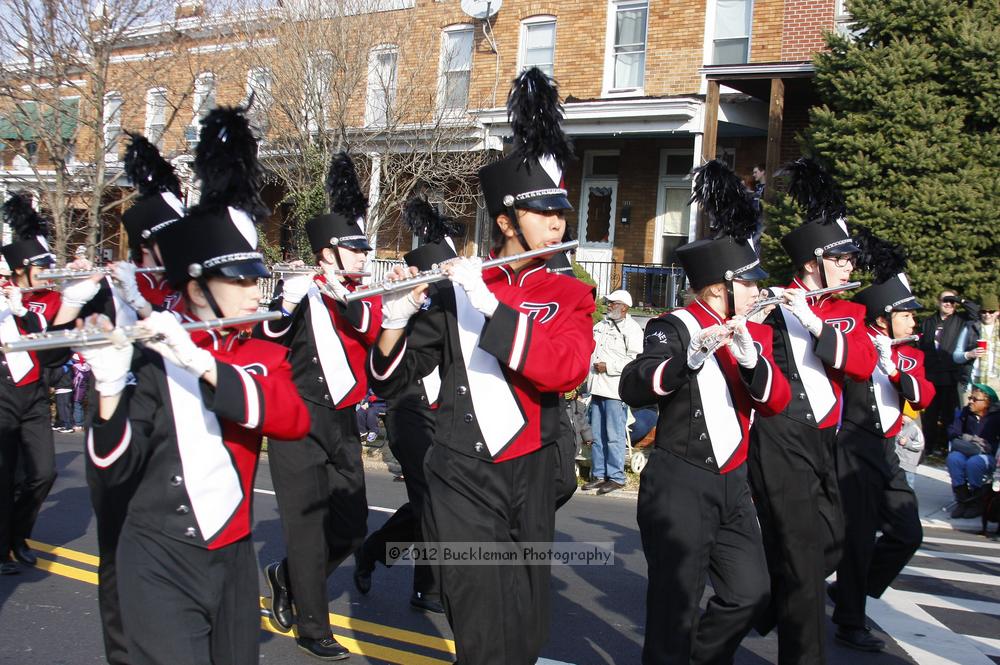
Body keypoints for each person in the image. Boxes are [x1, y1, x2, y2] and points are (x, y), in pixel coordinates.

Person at [367, 67, 595, 665]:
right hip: (460, 473)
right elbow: (388, 378)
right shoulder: (453, 288)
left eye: (560, 213)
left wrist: (492, 306)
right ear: (504, 221)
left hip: (532, 469)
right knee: (482, 634)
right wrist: (395, 313)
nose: (557, 224)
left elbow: (564, 370)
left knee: (524, 629)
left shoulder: (569, 293)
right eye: (543, 213)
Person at [77, 104, 310, 665]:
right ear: (198, 283)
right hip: (155, 552)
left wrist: (206, 367)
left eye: (260, 276)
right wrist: (111, 387)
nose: (258, 290)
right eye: (242, 277)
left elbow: (292, 420)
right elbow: (110, 474)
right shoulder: (150, 350)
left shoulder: (258, 352)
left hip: (231, 555)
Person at [620, 159, 791, 665]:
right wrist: (688, 359)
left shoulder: (752, 334)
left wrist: (750, 357)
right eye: (750, 283)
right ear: (719, 287)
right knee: (674, 606)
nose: (759, 292)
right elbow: (635, 384)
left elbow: (776, 401)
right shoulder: (672, 325)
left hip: (733, 482)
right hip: (680, 479)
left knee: (750, 592)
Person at [748, 157, 877, 665]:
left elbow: (863, 364)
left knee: (831, 543)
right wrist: (768, 313)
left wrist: (818, 325)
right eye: (841, 259)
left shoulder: (848, 311)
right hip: (778, 439)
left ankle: (752, 608)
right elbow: (748, 363)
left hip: (826, 441)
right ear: (811, 264)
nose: (850, 268)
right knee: (803, 562)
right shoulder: (773, 307)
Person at [259, 152, 381, 660]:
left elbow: (369, 330)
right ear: (329, 252)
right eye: (356, 249)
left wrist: (338, 293)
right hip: (296, 420)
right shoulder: (294, 292)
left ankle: (287, 576)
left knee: (351, 527)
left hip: (341, 421)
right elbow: (264, 340)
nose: (365, 255)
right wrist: (286, 302)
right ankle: (313, 626)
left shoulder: (364, 292)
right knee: (306, 528)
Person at [354, 193, 460, 614]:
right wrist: (406, 303)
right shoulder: (410, 301)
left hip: (445, 415)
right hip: (409, 411)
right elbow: (389, 366)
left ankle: (376, 549)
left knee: (430, 504)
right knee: (431, 498)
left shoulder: (454, 306)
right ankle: (428, 587)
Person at [829, 232, 933, 652]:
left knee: (907, 532)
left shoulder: (910, 355)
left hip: (886, 451)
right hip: (851, 447)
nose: (914, 322)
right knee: (856, 537)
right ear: (883, 318)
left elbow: (922, 395)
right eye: (907, 314)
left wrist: (894, 369)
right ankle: (850, 621)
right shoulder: (855, 342)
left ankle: (852, 591)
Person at [0, 194, 101, 574]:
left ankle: (18, 536)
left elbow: (54, 348)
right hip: (2, 389)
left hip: (34, 392)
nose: (46, 272)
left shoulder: (56, 300)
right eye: (39, 266)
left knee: (43, 473)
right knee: (5, 474)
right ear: (21, 269)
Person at [584, 289, 642, 495]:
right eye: (608, 303)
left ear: (624, 307)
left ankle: (616, 476)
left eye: (612, 303)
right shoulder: (600, 326)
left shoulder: (633, 330)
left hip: (615, 389)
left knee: (614, 435)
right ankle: (599, 474)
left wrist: (609, 366)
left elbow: (635, 360)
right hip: (596, 387)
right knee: (597, 434)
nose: (608, 306)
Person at [919, 289, 979, 455]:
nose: (948, 304)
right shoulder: (928, 321)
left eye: (951, 301)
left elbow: (976, 312)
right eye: (945, 300)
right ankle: (928, 446)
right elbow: (921, 347)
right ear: (938, 302)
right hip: (931, 375)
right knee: (930, 415)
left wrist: (959, 300)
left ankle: (946, 447)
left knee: (949, 415)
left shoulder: (960, 320)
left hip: (951, 375)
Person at [945, 383, 1000, 519]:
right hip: (966, 450)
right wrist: (967, 438)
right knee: (954, 459)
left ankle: (977, 501)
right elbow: (952, 430)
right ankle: (962, 500)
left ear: (986, 402)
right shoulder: (966, 412)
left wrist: (987, 445)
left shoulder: (996, 417)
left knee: (974, 463)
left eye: (974, 399)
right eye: (970, 398)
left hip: (988, 455)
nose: (970, 401)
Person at [954, 293, 998, 394]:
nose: (987, 315)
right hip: (972, 382)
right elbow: (956, 356)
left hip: (996, 381)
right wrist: (969, 354)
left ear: (997, 312)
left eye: (991, 311)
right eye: (984, 311)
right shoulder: (970, 328)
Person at [895, 408, 925, 489]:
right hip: (899, 462)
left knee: (908, 484)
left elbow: (920, 444)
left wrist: (907, 443)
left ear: (910, 416)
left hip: (909, 465)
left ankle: (910, 499)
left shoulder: (914, 428)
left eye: (903, 415)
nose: (901, 417)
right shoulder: (900, 426)